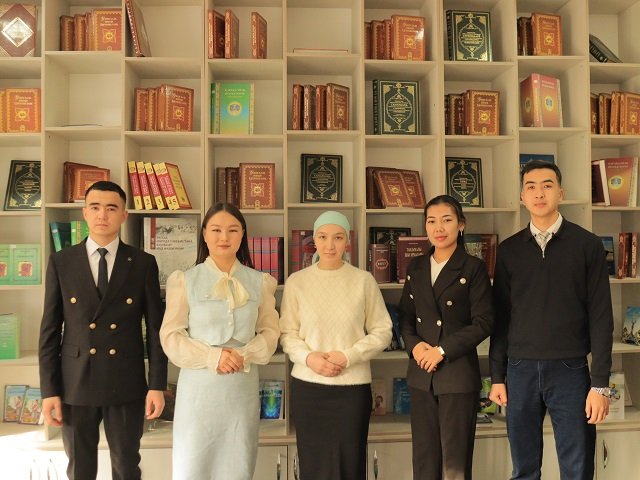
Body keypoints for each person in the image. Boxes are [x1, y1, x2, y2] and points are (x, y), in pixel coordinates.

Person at [489, 160, 614, 479]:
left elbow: (601, 316)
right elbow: (501, 318)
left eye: (547, 185)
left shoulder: (587, 245)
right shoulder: (509, 251)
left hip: (570, 370)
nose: (539, 193)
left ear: (561, 192)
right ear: (522, 197)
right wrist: (497, 376)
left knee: (577, 467)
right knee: (524, 468)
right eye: (530, 187)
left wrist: (600, 384)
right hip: (519, 370)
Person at [38, 181, 167, 480]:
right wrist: (49, 390)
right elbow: (49, 330)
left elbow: (155, 330)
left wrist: (156, 384)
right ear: (84, 213)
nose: (102, 215)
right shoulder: (62, 262)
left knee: (126, 465)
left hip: (125, 380)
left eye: (111, 208)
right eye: (95, 207)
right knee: (80, 469)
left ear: (124, 215)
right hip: (75, 382)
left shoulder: (142, 263)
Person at [160, 203, 280, 480]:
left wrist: (244, 355)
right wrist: (213, 357)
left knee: (237, 465)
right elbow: (171, 336)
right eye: (216, 230)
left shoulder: (260, 282)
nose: (224, 237)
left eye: (232, 230)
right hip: (198, 391)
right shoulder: (184, 281)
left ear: (242, 235)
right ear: (204, 234)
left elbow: (271, 333)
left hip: (241, 388)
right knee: (193, 466)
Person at [279, 210, 392, 480]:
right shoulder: (297, 282)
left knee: (349, 465)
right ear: (314, 240)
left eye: (338, 237)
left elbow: (383, 331)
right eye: (323, 237)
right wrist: (309, 359)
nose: (330, 245)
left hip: (351, 391)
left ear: (347, 242)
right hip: (309, 389)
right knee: (313, 467)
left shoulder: (363, 281)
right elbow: (287, 334)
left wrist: (348, 356)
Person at [398, 195, 494, 480]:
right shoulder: (416, 266)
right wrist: (415, 347)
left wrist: (440, 351)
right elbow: (405, 317)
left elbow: (484, 322)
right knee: (424, 461)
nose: (438, 228)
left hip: (456, 373)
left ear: (461, 224)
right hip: (421, 374)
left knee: (455, 465)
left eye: (447, 220)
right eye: (431, 221)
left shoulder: (473, 267)